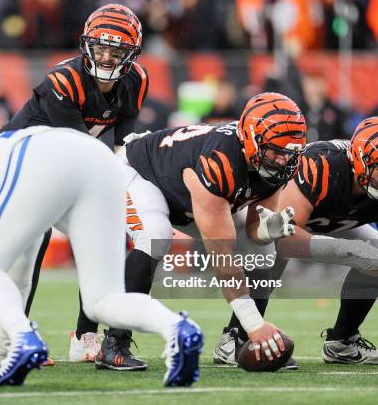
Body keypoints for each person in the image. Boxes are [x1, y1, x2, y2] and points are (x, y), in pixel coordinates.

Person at [0, 110, 203, 387]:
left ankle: (24, 338)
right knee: (101, 301)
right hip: (98, 159)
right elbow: (22, 277)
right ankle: (176, 328)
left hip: (42, 157)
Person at [0, 3, 149, 370]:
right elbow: (83, 154)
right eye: (101, 47)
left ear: (132, 54)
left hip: (63, 168)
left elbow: (123, 148)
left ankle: (85, 339)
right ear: (86, 44)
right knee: (35, 244)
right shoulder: (64, 81)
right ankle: (14, 341)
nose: (107, 56)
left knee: (106, 237)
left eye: (117, 49)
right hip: (16, 164)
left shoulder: (136, 81)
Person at [117, 92, 307, 369]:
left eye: (288, 153)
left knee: (266, 250)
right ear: (251, 140)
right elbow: (223, 260)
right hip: (140, 172)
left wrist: (266, 231)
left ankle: (236, 342)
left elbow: (254, 230)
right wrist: (256, 324)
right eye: (275, 151)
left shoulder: (277, 165)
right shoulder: (220, 161)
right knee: (154, 236)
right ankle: (114, 341)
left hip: (187, 196)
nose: (281, 160)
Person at [215, 116, 378, 366]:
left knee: (376, 257)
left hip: (334, 220)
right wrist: (344, 249)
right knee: (271, 248)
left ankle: (342, 343)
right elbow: (285, 238)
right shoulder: (322, 166)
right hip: (282, 221)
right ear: (360, 161)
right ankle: (235, 338)